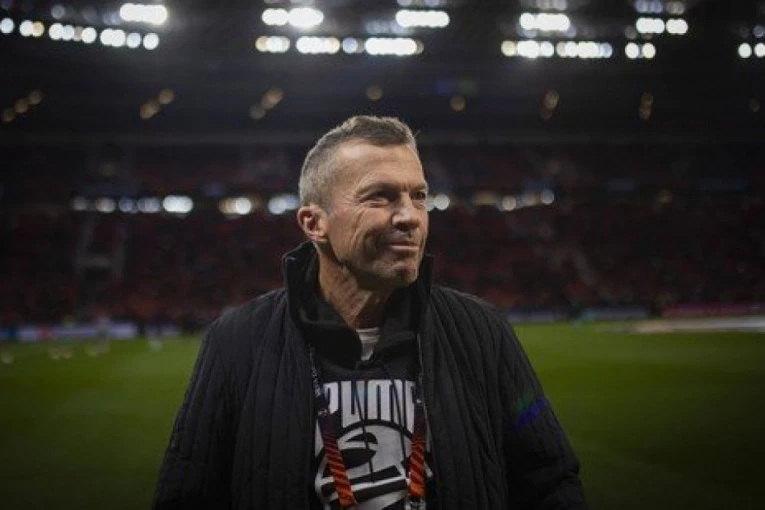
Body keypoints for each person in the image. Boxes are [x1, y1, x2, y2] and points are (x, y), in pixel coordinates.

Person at [153, 115, 587, 509]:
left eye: (419, 196)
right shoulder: (236, 343)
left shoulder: (482, 333)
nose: (411, 217)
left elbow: (549, 482)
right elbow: (187, 496)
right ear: (314, 224)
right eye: (380, 197)